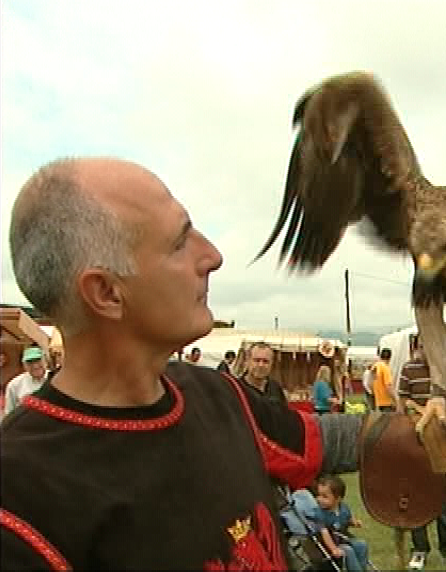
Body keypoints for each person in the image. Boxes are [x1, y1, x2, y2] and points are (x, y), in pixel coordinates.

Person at [0, 157, 365, 569]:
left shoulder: (218, 393)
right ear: (107, 293)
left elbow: (321, 441)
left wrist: (413, 432)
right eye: (178, 243)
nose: (213, 256)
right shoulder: (19, 503)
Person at [397, 340, 446, 571]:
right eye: (423, 345)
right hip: (416, 441)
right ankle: (420, 549)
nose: (427, 349)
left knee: (445, 498)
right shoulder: (409, 369)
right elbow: (402, 401)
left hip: (445, 441)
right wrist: (415, 411)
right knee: (417, 497)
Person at [313, 475, 368, 572]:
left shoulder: (343, 508)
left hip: (344, 539)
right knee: (348, 550)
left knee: (361, 545)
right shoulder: (320, 513)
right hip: (330, 544)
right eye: (319, 495)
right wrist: (333, 549)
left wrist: (354, 522)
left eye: (324, 496)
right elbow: (325, 534)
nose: (319, 499)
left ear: (338, 499)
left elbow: (348, 519)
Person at [3, 346, 48, 416]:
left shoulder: (55, 380)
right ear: (24, 365)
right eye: (30, 362)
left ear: (45, 361)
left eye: (38, 360)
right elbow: (9, 413)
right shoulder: (14, 385)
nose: (35, 366)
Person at [372, 348, 395, 412]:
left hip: (377, 401)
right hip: (386, 402)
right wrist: (395, 400)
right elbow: (388, 386)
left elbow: (370, 383)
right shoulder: (385, 368)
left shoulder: (375, 366)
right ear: (390, 358)